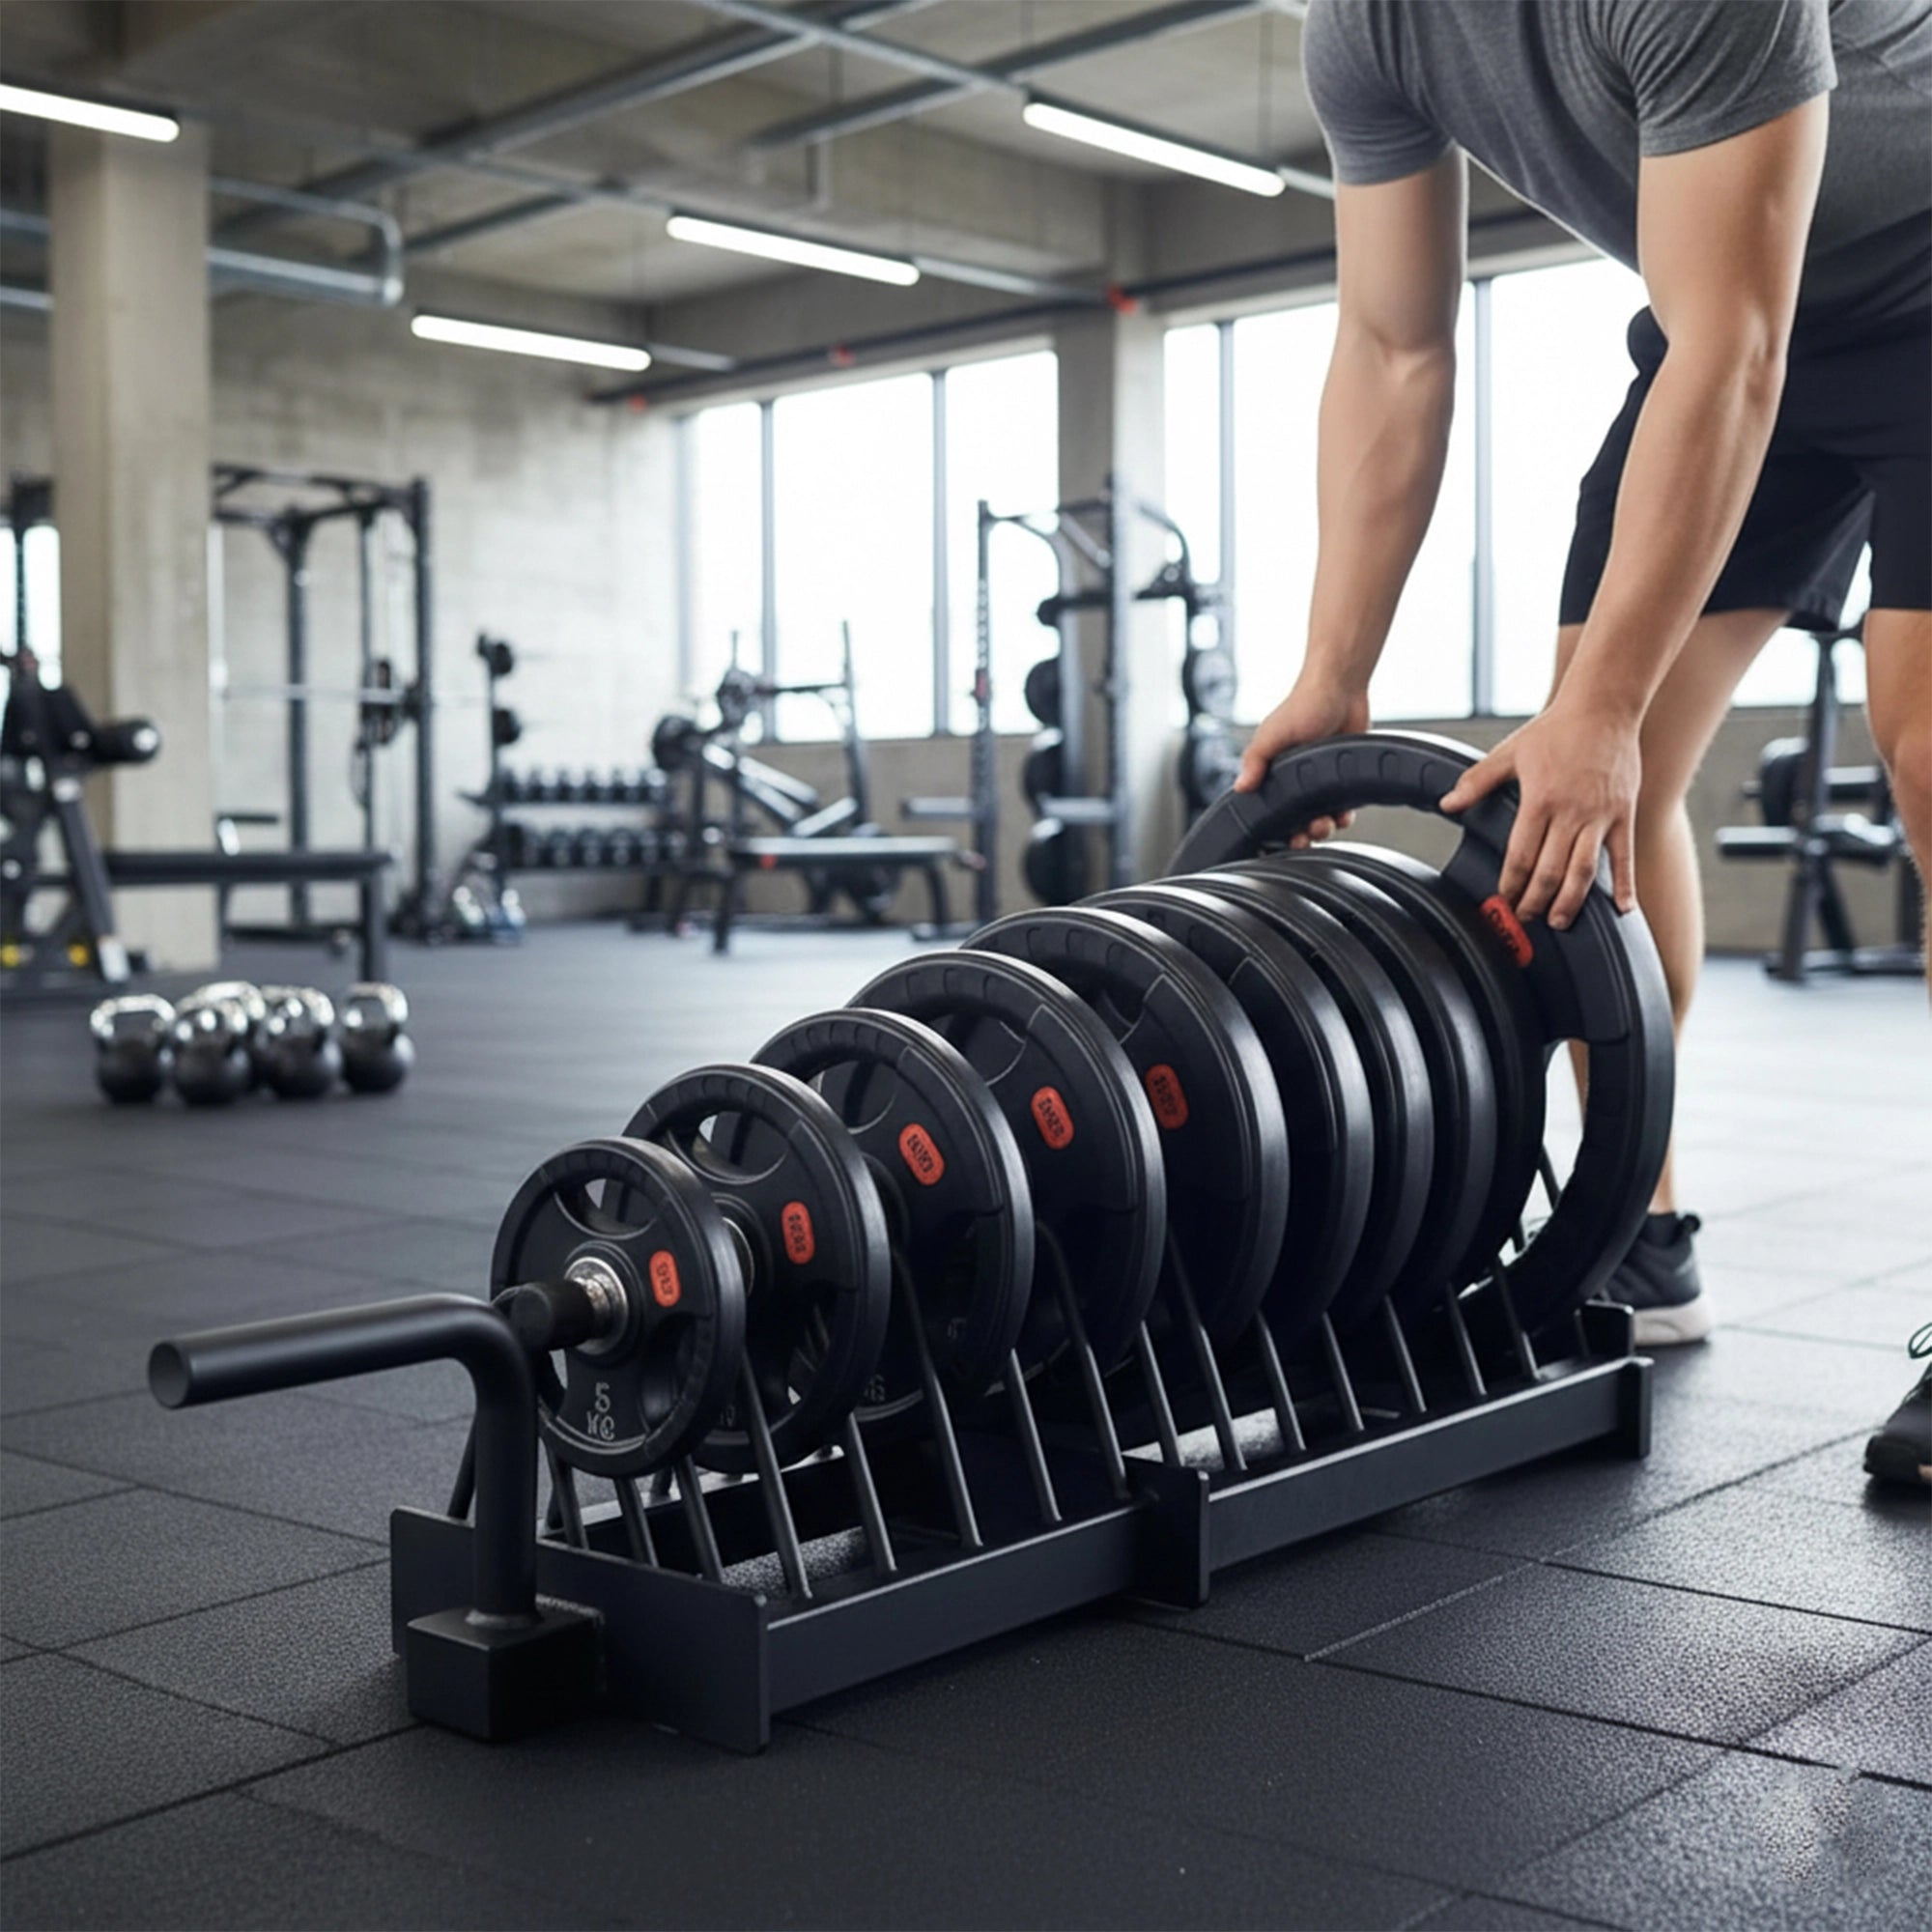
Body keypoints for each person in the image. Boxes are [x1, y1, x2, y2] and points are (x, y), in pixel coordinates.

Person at [1238, 0, 1929, 1408]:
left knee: (1923, 738)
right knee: (1588, 793)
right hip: (1730, 313)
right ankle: (1638, 1226)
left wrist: (1601, 707)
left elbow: (1734, 348)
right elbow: (1390, 347)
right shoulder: (1365, 30)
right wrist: (1334, 667)